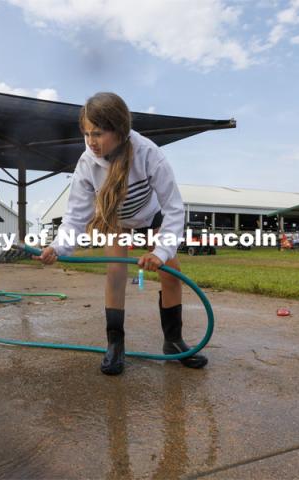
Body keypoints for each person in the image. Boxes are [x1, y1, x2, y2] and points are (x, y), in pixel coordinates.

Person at [34, 92, 208, 375]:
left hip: (152, 217)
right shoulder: (87, 163)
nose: (91, 141)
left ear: (119, 130)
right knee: (116, 274)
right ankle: (115, 345)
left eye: (99, 134)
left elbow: (174, 208)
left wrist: (160, 252)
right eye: (87, 133)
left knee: (171, 272)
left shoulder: (148, 153)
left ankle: (173, 342)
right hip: (116, 221)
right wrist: (58, 247)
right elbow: (76, 216)